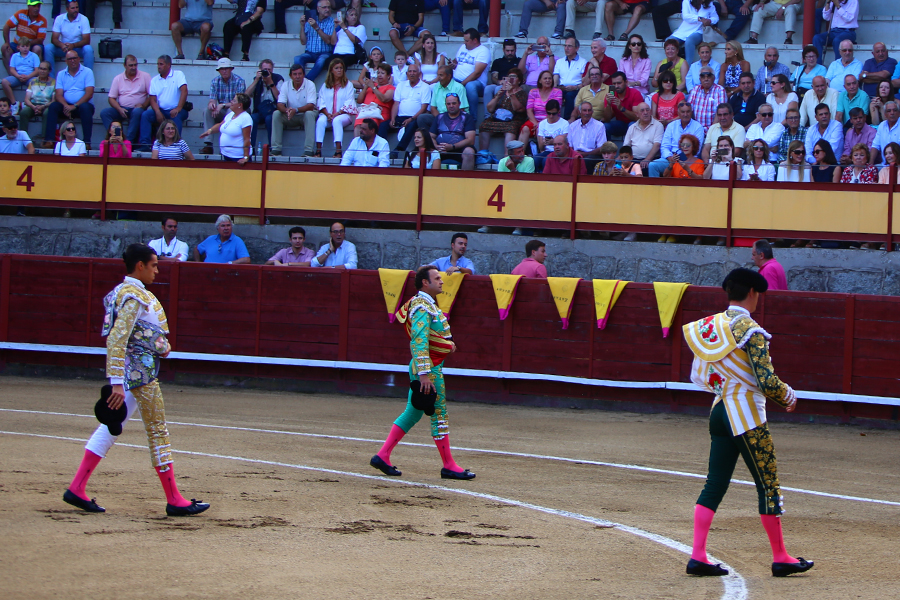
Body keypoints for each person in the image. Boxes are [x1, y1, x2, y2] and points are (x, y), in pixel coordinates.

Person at [63, 243, 210, 517]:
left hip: (133, 373)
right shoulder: (134, 297)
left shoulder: (126, 292)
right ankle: (175, 499)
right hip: (138, 375)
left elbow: (131, 336)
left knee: (111, 424)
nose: (157, 270)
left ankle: (77, 487)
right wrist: (116, 381)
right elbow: (117, 339)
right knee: (157, 430)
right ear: (140, 266)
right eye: (153, 265)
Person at [682, 268, 812, 579]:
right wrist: (788, 396)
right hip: (747, 416)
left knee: (714, 484)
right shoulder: (750, 331)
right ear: (752, 293)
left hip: (719, 411)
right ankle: (781, 557)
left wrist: (728, 386)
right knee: (767, 485)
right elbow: (766, 382)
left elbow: (701, 376)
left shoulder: (709, 327)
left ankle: (698, 556)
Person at [370, 264, 472, 480]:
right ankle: (449, 465)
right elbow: (419, 341)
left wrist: (447, 344)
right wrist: (424, 374)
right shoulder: (422, 307)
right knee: (439, 414)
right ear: (425, 282)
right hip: (428, 369)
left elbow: (431, 337)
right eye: (437, 278)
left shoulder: (427, 305)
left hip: (427, 366)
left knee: (413, 412)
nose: (442, 281)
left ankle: (383, 455)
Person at [139, 55, 189, 150]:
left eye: (161, 64)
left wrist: (178, 108)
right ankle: (145, 145)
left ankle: (175, 145)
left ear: (169, 65)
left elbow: (184, 91)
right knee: (145, 115)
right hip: (161, 110)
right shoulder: (154, 80)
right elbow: (152, 99)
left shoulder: (178, 74)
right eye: (158, 64)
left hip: (178, 110)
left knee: (176, 116)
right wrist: (157, 112)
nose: (158, 66)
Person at [44, 51, 92, 149]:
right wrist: (66, 106)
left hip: (81, 106)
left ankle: (87, 142)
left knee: (86, 107)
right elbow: (58, 94)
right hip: (66, 106)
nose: (72, 61)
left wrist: (74, 106)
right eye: (70, 59)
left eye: (74, 58)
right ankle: (49, 140)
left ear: (79, 59)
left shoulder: (87, 72)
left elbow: (89, 93)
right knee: (53, 106)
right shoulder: (61, 74)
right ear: (66, 61)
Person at [381, 61, 429, 156]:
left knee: (412, 125)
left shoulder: (425, 87)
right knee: (383, 125)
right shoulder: (401, 85)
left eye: (414, 71)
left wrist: (411, 119)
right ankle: (380, 150)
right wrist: (393, 119)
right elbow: (396, 104)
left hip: (415, 118)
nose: (411, 73)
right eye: (410, 71)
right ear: (406, 74)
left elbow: (424, 108)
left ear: (419, 74)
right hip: (400, 117)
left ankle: (399, 149)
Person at [100, 55, 151, 144]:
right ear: (125, 66)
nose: (133, 67)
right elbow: (111, 98)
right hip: (122, 108)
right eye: (131, 65)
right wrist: (119, 109)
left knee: (137, 112)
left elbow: (152, 96)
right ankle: (116, 136)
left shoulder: (145, 76)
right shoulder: (118, 78)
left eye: (135, 65)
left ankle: (128, 142)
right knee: (105, 113)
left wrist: (143, 106)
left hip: (138, 109)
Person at [200, 57, 246, 155]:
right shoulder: (215, 81)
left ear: (231, 69)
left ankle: (226, 145)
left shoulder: (239, 81)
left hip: (235, 110)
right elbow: (212, 99)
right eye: (222, 69)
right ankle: (208, 144)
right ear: (219, 70)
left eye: (226, 68)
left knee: (231, 112)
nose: (224, 71)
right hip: (223, 109)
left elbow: (238, 103)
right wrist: (212, 105)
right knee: (207, 111)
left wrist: (222, 105)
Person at [271, 63, 317, 157]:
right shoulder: (285, 85)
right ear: (290, 76)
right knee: (276, 114)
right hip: (290, 114)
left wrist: (295, 110)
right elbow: (279, 104)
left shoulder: (310, 84)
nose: (297, 76)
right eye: (295, 74)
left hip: (304, 114)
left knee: (309, 114)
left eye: (300, 74)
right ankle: (276, 149)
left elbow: (311, 106)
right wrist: (287, 111)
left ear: (303, 75)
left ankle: (309, 150)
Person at [649, 100, 704, 177]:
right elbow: (664, 146)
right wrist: (671, 158)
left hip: (690, 160)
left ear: (691, 112)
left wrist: (682, 159)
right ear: (678, 113)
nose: (685, 114)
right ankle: (654, 188)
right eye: (683, 112)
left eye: (688, 112)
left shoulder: (698, 127)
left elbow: (697, 149)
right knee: (653, 165)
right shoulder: (671, 126)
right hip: (670, 159)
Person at [314, 57, 355, 158]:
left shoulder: (348, 85)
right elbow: (321, 101)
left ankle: (338, 151)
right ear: (331, 70)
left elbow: (349, 101)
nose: (339, 70)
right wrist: (327, 114)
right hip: (327, 114)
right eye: (336, 68)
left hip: (343, 115)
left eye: (341, 68)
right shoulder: (325, 85)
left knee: (336, 120)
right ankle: (318, 150)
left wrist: (336, 114)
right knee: (320, 121)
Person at [479, 67, 526, 150]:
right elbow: (490, 109)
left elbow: (517, 108)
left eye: (514, 76)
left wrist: (511, 93)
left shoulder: (522, 93)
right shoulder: (502, 91)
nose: (511, 78)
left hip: (513, 120)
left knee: (511, 128)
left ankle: (507, 156)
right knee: (484, 125)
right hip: (498, 119)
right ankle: (483, 154)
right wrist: (497, 96)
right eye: (509, 76)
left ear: (519, 80)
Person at [200, 93, 252, 163]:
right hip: (226, 155)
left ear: (240, 105)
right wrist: (210, 131)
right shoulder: (230, 114)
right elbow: (220, 125)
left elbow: (247, 139)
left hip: (238, 157)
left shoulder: (246, 118)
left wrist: (246, 157)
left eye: (234, 101)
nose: (231, 102)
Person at [430, 92, 475, 170]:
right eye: (448, 104)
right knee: (425, 149)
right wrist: (436, 146)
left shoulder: (467, 117)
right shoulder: (439, 117)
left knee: (469, 152)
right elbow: (430, 136)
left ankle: (466, 180)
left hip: (459, 150)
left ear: (459, 104)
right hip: (440, 150)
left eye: (454, 103)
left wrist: (452, 147)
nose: (451, 106)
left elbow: (470, 140)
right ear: (446, 105)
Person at [451, 29, 490, 117]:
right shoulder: (462, 47)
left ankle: (472, 118)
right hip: (457, 79)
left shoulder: (483, 51)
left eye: (467, 41)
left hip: (476, 83)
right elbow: (456, 61)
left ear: (475, 40)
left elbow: (477, 73)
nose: (465, 42)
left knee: (470, 86)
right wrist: (452, 64)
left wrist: (461, 84)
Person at [247, 58, 284, 149]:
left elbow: (280, 99)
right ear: (260, 70)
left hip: (273, 110)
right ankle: (250, 148)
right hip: (259, 111)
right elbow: (246, 95)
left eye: (269, 70)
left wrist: (271, 83)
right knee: (252, 118)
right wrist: (256, 80)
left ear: (272, 70)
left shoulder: (278, 79)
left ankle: (272, 148)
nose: (267, 72)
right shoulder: (257, 79)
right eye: (265, 70)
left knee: (269, 119)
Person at [2, 0, 47, 73]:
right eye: (34, 6)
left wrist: (25, 44)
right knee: (5, 48)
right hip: (17, 44)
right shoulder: (20, 14)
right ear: (28, 6)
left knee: (37, 48)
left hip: (31, 45)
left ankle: (34, 74)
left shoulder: (42, 20)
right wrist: (7, 43)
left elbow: (40, 39)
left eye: (38, 6)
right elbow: (6, 27)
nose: (37, 8)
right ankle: (12, 74)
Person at [44, 0, 92, 69]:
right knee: (48, 48)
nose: (75, 10)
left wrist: (73, 45)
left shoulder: (84, 19)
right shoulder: (59, 18)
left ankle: (88, 77)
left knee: (88, 49)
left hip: (77, 48)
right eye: (73, 8)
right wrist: (62, 45)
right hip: (63, 48)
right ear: (67, 9)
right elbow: (54, 39)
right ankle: (50, 78)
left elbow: (87, 40)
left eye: (77, 7)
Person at [668, 0, 717, 66]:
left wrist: (710, 20)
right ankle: (674, 63)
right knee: (669, 41)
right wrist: (699, 19)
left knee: (689, 41)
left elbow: (715, 17)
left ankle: (687, 65)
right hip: (684, 30)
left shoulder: (709, 3)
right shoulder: (686, 1)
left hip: (699, 30)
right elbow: (685, 16)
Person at [421, 64, 467, 131]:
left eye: (441, 75)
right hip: (439, 117)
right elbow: (433, 108)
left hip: (455, 118)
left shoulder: (459, 88)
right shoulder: (436, 86)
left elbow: (462, 109)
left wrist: (448, 120)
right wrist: (441, 120)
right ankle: (429, 140)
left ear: (449, 76)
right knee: (422, 118)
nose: (438, 78)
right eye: (438, 75)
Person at [553, 37, 587, 120]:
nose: (566, 48)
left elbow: (584, 81)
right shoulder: (559, 61)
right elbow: (556, 77)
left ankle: (567, 119)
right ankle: (553, 118)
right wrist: (554, 88)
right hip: (561, 88)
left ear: (577, 48)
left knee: (569, 95)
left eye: (569, 46)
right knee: (554, 94)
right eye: (565, 46)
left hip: (576, 89)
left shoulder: (583, 62)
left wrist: (575, 87)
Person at [569, 100, 607, 172]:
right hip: (574, 154)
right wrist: (575, 154)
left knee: (587, 161)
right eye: (584, 110)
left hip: (591, 155)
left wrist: (584, 154)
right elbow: (569, 145)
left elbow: (601, 149)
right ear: (579, 112)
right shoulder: (572, 126)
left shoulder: (599, 126)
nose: (587, 113)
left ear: (592, 112)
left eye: (589, 110)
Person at [623, 102, 662, 171]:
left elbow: (657, 145)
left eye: (647, 110)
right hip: (633, 159)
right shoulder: (632, 127)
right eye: (642, 110)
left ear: (651, 112)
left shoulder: (658, 125)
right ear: (637, 114)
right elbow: (626, 146)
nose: (645, 112)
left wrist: (647, 159)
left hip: (651, 160)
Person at [525, 70, 563, 142]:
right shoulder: (533, 92)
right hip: (534, 120)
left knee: (540, 129)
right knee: (525, 129)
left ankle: (541, 152)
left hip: (550, 120)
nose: (548, 80)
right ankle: (520, 151)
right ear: (540, 81)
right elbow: (529, 110)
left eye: (550, 78)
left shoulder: (557, 92)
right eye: (545, 78)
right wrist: (536, 124)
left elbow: (555, 110)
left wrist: (540, 124)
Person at [601, 70, 641, 138]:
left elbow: (637, 117)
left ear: (626, 82)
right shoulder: (610, 95)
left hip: (634, 123)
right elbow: (607, 119)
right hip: (620, 123)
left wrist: (622, 108)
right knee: (605, 126)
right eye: (614, 83)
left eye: (619, 83)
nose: (616, 86)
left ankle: (631, 149)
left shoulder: (635, 93)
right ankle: (607, 148)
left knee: (632, 125)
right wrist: (608, 105)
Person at [689, 66, 727, 135]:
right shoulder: (695, 90)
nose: (706, 79)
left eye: (709, 76)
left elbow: (720, 114)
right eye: (703, 76)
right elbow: (689, 110)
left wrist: (711, 132)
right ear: (700, 79)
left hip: (713, 130)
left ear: (714, 78)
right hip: (695, 130)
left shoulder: (720, 90)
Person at [534, 99, 568, 171]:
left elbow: (565, 144)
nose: (551, 116)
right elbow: (541, 148)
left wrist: (553, 142)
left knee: (546, 160)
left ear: (559, 111)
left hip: (559, 152)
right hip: (546, 152)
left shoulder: (565, 123)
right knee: (534, 160)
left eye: (554, 113)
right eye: (549, 113)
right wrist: (544, 143)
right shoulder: (542, 124)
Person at [2, 36, 39, 102]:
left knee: (37, 83)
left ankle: (29, 102)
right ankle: (14, 103)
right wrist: (18, 76)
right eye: (23, 46)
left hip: (30, 76)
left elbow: (37, 70)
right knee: (4, 82)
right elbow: (12, 69)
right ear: (18, 47)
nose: (25, 48)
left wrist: (28, 77)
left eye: (27, 46)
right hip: (18, 76)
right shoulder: (15, 56)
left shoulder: (34, 56)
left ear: (29, 46)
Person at [484, 38, 519, 104]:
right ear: (503, 50)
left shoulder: (519, 61)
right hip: (500, 83)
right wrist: (499, 82)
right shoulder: (497, 62)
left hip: (513, 84)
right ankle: (488, 114)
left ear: (515, 50)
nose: (510, 53)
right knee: (488, 89)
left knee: (499, 89)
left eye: (512, 51)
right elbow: (493, 78)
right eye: (507, 51)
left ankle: (499, 112)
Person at [870, 101, 900, 165]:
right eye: (889, 111)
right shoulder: (882, 125)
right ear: (885, 114)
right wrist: (870, 163)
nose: (892, 113)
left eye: (895, 110)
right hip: (884, 165)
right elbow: (875, 146)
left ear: (899, 113)